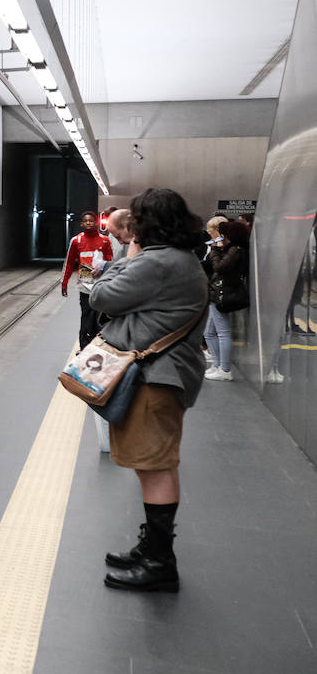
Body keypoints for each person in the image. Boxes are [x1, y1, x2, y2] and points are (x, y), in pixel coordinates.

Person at [89, 188, 208, 593]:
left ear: (148, 223)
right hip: (163, 376)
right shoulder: (181, 259)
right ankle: (152, 549)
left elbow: (101, 296)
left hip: (155, 378)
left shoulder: (157, 262)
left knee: (155, 467)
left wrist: (129, 256)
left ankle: (159, 563)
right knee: (156, 465)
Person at [62, 211, 114, 350]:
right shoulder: (76, 240)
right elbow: (69, 262)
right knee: (86, 316)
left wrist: (104, 269)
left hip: (101, 284)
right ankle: (84, 347)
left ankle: (97, 346)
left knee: (99, 317)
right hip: (85, 284)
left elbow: (111, 259)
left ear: (96, 222)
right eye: (86, 221)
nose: (89, 223)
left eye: (91, 220)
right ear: (82, 223)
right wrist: (64, 282)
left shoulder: (105, 240)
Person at [202, 219, 246, 381]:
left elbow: (219, 267)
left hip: (223, 292)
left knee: (222, 332)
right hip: (218, 291)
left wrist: (214, 250)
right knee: (209, 332)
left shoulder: (235, 250)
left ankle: (225, 369)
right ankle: (218, 364)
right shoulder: (232, 249)